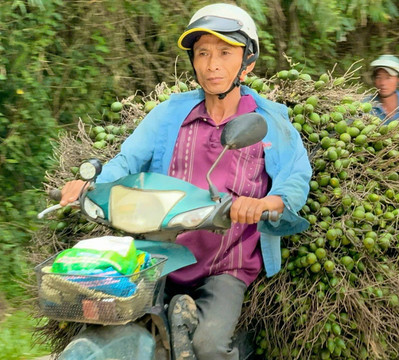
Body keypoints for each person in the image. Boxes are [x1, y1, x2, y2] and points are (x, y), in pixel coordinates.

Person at [60, 3, 312, 360]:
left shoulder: (269, 121)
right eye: (203, 53)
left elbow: (295, 177)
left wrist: (264, 204)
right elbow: (129, 159)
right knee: (104, 318)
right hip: (163, 253)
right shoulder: (170, 114)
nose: (212, 65)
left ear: (247, 62)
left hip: (227, 263)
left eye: (225, 53)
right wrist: (89, 184)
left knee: (208, 347)